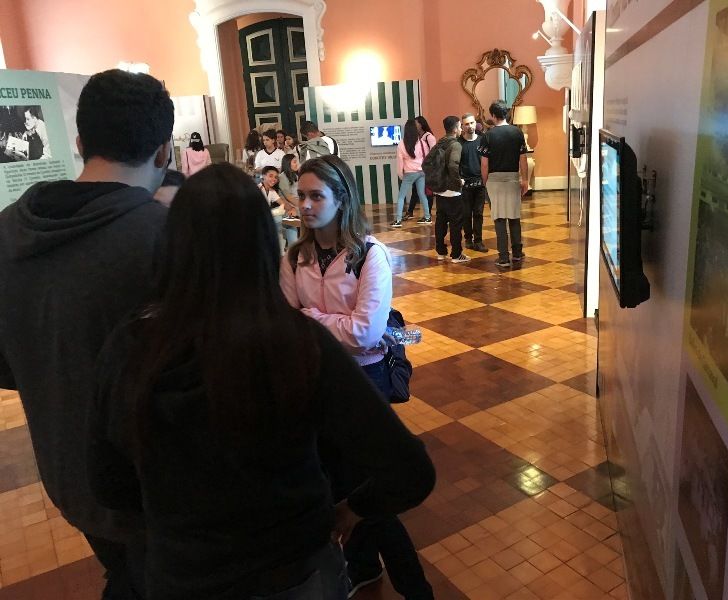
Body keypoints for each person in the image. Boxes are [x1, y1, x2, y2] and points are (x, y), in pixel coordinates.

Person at [88, 163, 435, 600]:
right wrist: (350, 509)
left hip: (182, 571)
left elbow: (107, 483)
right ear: (262, 241)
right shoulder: (296, 341)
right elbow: (410, 469)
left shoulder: (129, 344)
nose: (305, 206)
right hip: (291, 568)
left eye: (316, 196)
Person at [0, 68, 174, 599]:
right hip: (158, 487)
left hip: (69, 476)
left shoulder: (7, 231)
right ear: (165, 151)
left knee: (126, 573)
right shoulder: (165, 237)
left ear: (78, 142)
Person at [281, 156, 435, 600]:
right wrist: (330, 324)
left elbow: (366, 332)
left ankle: (416, 589)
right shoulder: (295, 257)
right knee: (340, 482)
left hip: (366, 381)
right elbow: (287, 328)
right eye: (301, 195)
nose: (304, 205)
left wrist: (310, 318)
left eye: (316, 196)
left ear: (342, 198)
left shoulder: (370, 254)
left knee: (370, 492)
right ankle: (364, 567)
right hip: (315, 382)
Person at [479, 100, 529, 267]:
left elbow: (484, 164)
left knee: (499, 219)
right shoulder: (517, 132)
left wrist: (485, 181)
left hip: (494, 180)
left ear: (493, 115)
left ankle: (503, 258)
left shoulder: (488, 135)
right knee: (514, 217)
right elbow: (523, 159)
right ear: (506, 113)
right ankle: (517, 253)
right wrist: (525, 179)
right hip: (513, 178)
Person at [431, 116, 468, 263]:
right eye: (460, 126)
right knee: (456, 223)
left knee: (441, 221)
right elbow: (453, 165)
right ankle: (456, 254)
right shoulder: (456, 144)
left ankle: (441, 252)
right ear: (455, 129)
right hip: (452, 190)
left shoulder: (440, 142)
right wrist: (458, 181)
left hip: (440, 189)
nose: (461, 129)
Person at [392, 118, 435, 228]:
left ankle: (398, 220)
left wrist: (400, 174)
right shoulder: (421, 142)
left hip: (409, 173)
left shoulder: (401, 144)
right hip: (421, 171)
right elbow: (427, 156)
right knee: (422, 194)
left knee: (401, 196)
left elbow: (400, 161)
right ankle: (427, 217)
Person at [460, 113, 489, 252]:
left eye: (472, 123)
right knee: (466, 214)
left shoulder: (482, 140)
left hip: (480, 183)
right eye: (466, 124)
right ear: (462, 126)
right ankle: (468, 239)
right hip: (464, 184)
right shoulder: (459, 143)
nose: (470, 126)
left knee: (478, 213)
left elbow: (487, 161)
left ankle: (478, 240)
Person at [278, 153, 301, 251]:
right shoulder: (282, 177)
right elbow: (288, 197)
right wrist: (301, 205)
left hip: (297, 203)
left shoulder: (296, 175)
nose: (297, 164)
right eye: (294, 162)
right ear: (288, 163)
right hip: (289, 205)